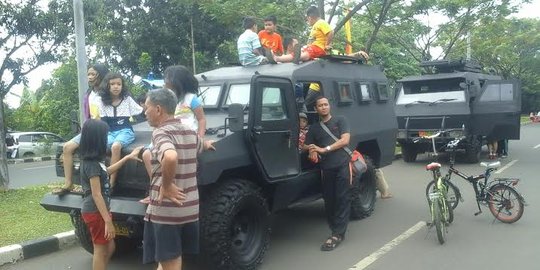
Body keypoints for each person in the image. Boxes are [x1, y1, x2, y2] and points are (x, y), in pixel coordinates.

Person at [142, 88, 214, 270]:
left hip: (167, 212)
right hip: (188, 209)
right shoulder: (189, 132)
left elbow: (171, 156)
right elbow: (200, 145)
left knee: (171, 263)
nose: (144, 112)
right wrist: (207, 144)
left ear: (158, 109)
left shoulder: (161, 133)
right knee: (170, 260)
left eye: (147, 107)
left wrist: (166, 186)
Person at [78, 119, 142, 270]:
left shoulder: (96, 161)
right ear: (97, 139)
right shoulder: (91, 164)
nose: (107, 138)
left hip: (101, 211)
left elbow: (106, 173)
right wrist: (108, 222)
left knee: (110, 245)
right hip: (95, 211)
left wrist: (126, 158)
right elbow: (96, 194)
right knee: (100, 250)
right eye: (105, 136)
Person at [142, 65, 207, 182]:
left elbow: (201, 119)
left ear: (178, 83)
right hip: (167, 132)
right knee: (147, 154)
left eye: (167, 82)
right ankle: (156, 183)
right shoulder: (168, 99)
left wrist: (200, 138)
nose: (164, 85)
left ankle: (169, 184)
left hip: (184, 134)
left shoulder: (191, 99)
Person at [303, 96, 352, 251]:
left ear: (329, 106)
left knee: (342, 198)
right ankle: (334, 228)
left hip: (342, 164)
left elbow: (345, 141)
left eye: (326, 104)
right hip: (327, 168)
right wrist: (312, 149)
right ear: (316, 109)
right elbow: (304, 145)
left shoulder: (340, 120)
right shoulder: (314, 128)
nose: (324, 107)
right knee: (329, 200)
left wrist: (324, 149)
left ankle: (338, 233)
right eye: (320, 105)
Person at [53, 63, 109, 195]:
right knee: (67, 148)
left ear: (101, 75)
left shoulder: (108, 92)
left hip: (105, 129)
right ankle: (69, 183)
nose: (89, 77)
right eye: (88, 74)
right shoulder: (89, 94)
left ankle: (105, 183)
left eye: (92, 74)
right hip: (90, 129)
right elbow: (87, 116)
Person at [98, 72, 143, 188]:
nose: (116, 86)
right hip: (109, 132)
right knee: (100, 145)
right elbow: (103, 122)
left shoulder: (127, 99)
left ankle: (111, 181)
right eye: (112, 84)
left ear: (122, 86)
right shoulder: (102, 101)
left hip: (125, 130)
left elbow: (140, 111)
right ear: (107, 86)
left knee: (116, 146)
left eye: (119, 84)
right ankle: (96, 177)